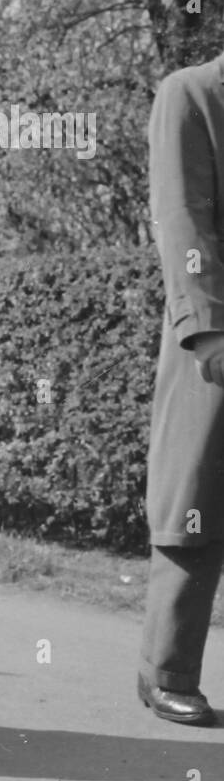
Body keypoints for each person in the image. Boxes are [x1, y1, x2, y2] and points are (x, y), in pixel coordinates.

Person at [141, 60, 224, 726]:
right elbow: (183, 218)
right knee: (195, 502)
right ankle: (167, 671)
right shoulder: (192, 93)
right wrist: (208, 333)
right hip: (217, 336)